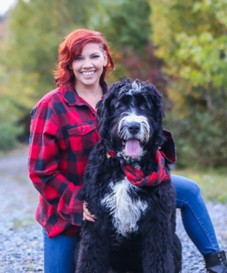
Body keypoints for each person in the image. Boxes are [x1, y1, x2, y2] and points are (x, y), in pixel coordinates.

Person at [28, 29, 227, 273]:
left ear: (105, 59)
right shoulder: (51, 106)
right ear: (68, 64)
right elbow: (40, 171)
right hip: (71, 204)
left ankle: (216, 261)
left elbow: (150, 130)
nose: (87, 64)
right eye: (78, 58)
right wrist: (76, 203)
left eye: (93, 56)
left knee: (188, 190)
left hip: (128, 176)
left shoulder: (119, 96)